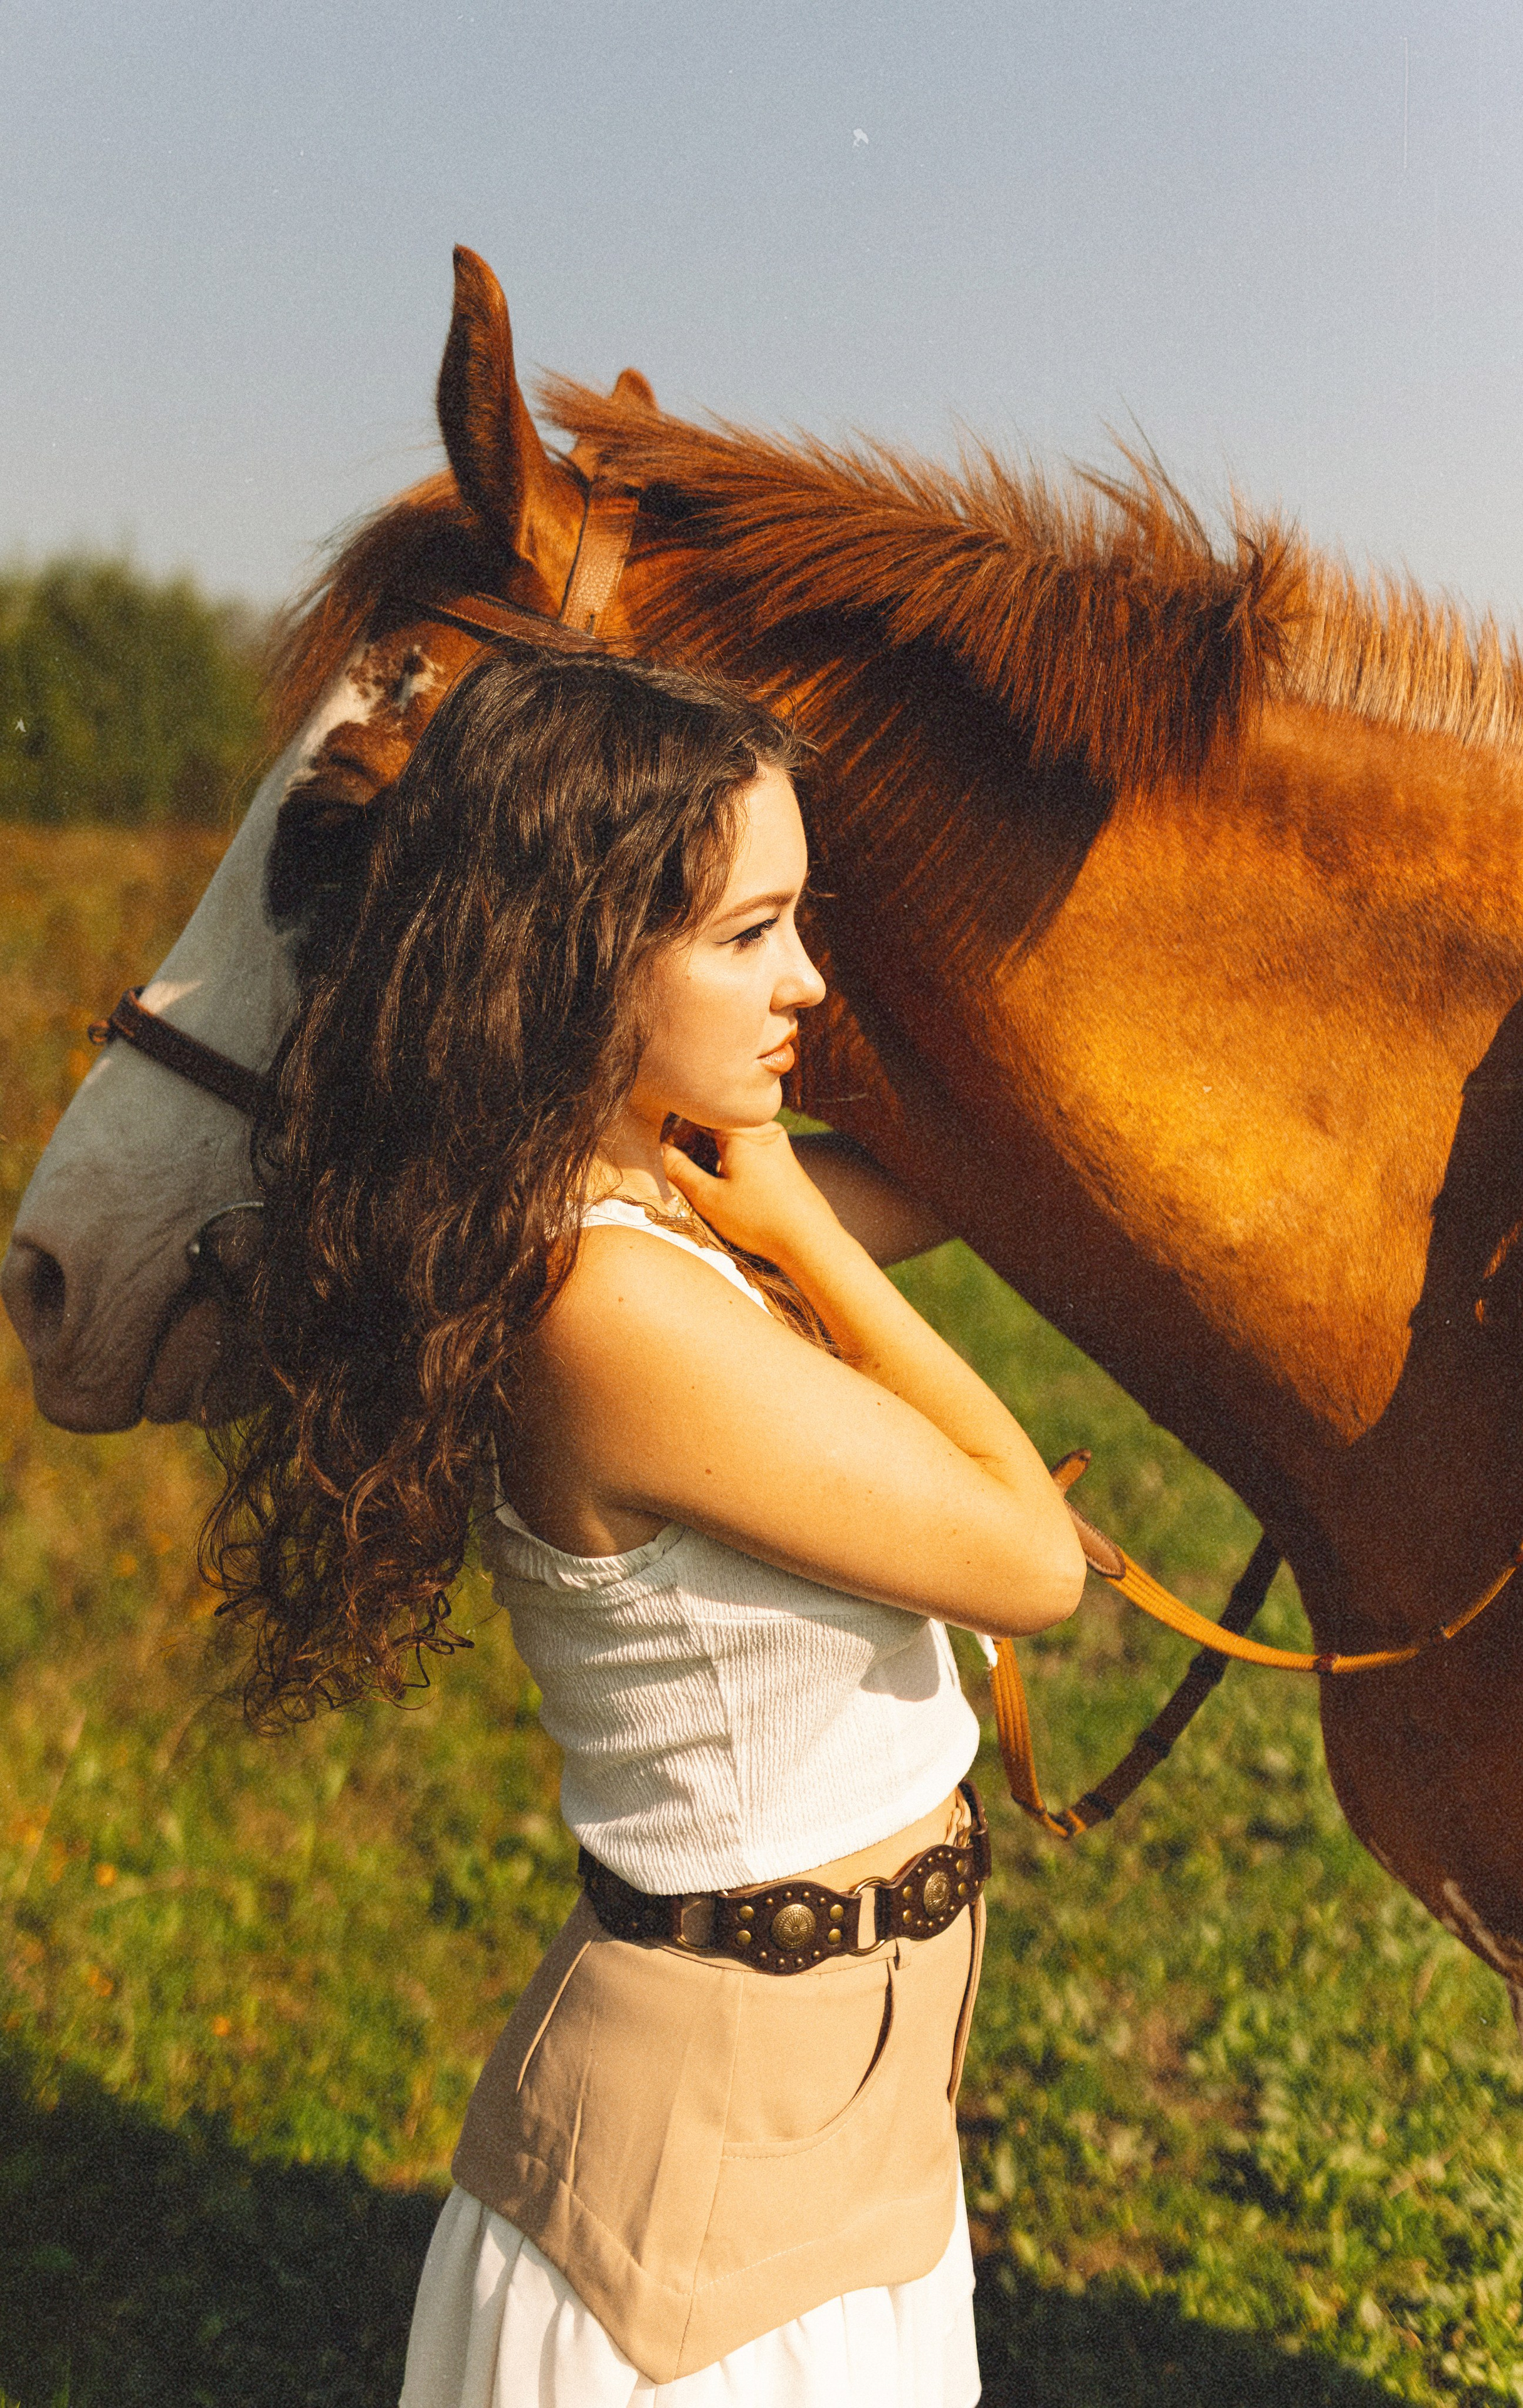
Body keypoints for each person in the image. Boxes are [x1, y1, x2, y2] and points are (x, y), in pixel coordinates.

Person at [211, 647, 1086, 2405]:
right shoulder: (603, 1302)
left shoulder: (636, 1204)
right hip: (685, 2245)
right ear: (583, 952)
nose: (808, 983)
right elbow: (1034, 1560)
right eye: (751, 934)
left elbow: (979, 1166)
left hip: (851, 2143)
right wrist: (804, 1233)